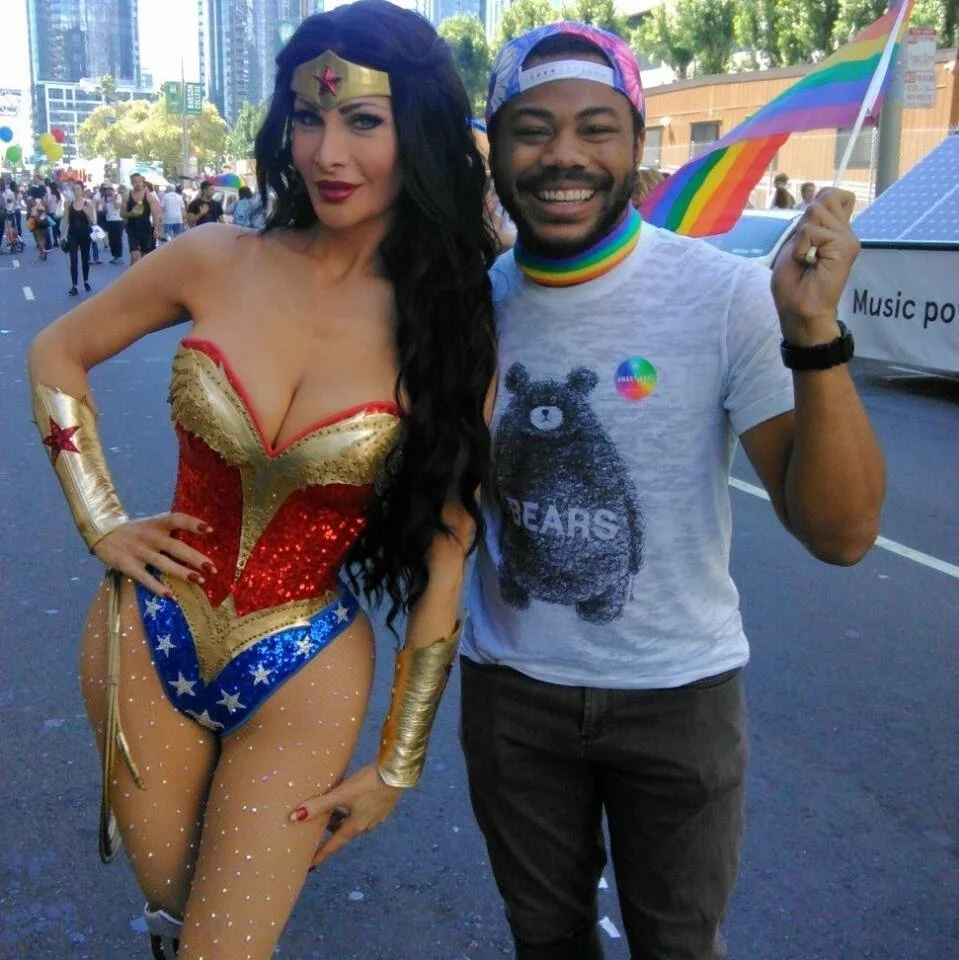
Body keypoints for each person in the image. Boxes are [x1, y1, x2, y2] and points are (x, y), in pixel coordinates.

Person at [27, 2, 496, 957]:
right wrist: (101, 518)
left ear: (418, 131)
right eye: (308, 117)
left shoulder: (452, 329)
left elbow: (448, 555)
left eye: (362, 120)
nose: (328, 151)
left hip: (304, 668)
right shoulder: (216, 257)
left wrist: (398, 762)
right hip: (144, 633)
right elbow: (56, 352)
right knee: (175, 921)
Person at [454, 22, 885, 960]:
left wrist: (813, 333)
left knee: (678, 949)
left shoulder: (724, 296)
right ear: (496, 148)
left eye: (595, 128)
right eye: (532, 128)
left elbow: (842, 533)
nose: (564, 155)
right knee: (545, 943)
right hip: (513, 694)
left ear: (636, 147)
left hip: (677, 696)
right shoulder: (463, 307)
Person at [121, 173, 161, 264]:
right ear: (131, 183)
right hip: (132, 229)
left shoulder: (149, 197)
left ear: (143, 182)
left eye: (139, 181)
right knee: (134, 256)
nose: (138, 184)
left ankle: (143, 272)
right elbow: (122, 214)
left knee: (145, 257)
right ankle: (133, 272)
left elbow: (155, 214)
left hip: (146, 229)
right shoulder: (127, 197)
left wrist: (156, 229)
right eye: (135, 182)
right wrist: (131, 214)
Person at [65, 186, 96, 295]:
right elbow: (66, 220)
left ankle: (86, 281)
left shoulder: (88, 203)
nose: (75, 191)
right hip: (72, 234)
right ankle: (74, 286)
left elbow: (92, 221)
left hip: (85, 234)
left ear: (82, 191)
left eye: (77, 189)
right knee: (73, 259)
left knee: (85, 258)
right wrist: (62, 235)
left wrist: (87, 213)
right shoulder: (69, 204)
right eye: (74, 189)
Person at [102, 184, 125, 262]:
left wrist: (113, 198)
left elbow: (117, 207)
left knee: (117, 238)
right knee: (111, 239)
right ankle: (114, 255)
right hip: (109, 219)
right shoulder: (105, 198)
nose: (107, 191)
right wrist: (104, 205)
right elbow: (104, 210)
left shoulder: (118, 196)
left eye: (109, 189)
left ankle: (119, 255)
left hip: (117, 220)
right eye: (106, 190)